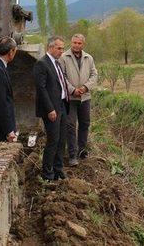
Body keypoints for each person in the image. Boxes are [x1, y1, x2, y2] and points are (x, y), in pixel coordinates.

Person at [33, 36, 69, 181]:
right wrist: (50, 109)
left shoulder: (57, 63)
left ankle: (58, 169)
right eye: (59, 48)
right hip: (51, 109)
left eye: (62, 48)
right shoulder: (41, 64)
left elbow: (59, 84)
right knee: (53, 140)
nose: (62, 51)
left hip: (61, 105)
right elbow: (41, 89)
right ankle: (47, 174)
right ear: (50, 47)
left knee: (61, 140)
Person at [59, 34, 98, 166]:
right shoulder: (64, 57)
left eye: (79, 43)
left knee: (85, 124)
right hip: (70, 98)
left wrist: (85, 87)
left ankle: (82, 150)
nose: (76, 45)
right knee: (70, 125)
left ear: (83, 44)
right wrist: (72, 90)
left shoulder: (89, 58)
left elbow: (94, 74)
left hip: (85, 97)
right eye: (74, 42)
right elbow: (62, 76)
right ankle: (72, 154)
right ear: (71, 43)